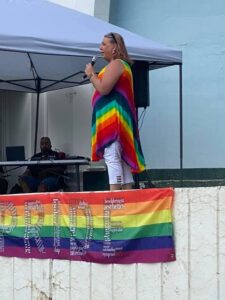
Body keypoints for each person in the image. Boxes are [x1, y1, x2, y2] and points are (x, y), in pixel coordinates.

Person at [85, 32, 145, 191]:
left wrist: (91, 75)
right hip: (117, 121)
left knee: (112, 157)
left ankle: (114, 197)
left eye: (104, 44)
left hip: (114, 122)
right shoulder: (119, 65)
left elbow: (103, 88)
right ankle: (126, 198)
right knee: (121, 161)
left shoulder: (117, 64)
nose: (100, 48)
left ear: (115, 48)